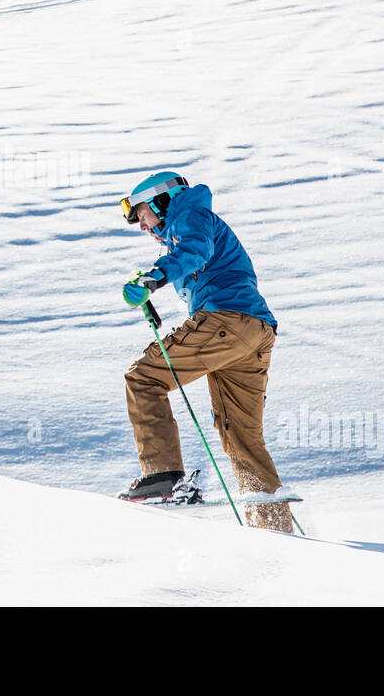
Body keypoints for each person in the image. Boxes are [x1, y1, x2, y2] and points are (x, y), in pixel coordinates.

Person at [116, 171, 293, 532]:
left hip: (226, 321)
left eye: (142, 213)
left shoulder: (189, 214)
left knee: (143, 377)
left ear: (162, 201)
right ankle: (273, 528)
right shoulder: (188, 224)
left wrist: (154, 278)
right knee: (240, 435)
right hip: (254, 333)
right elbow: (193, 256)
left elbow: (195, 251)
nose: (141, 226)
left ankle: (162, 476)